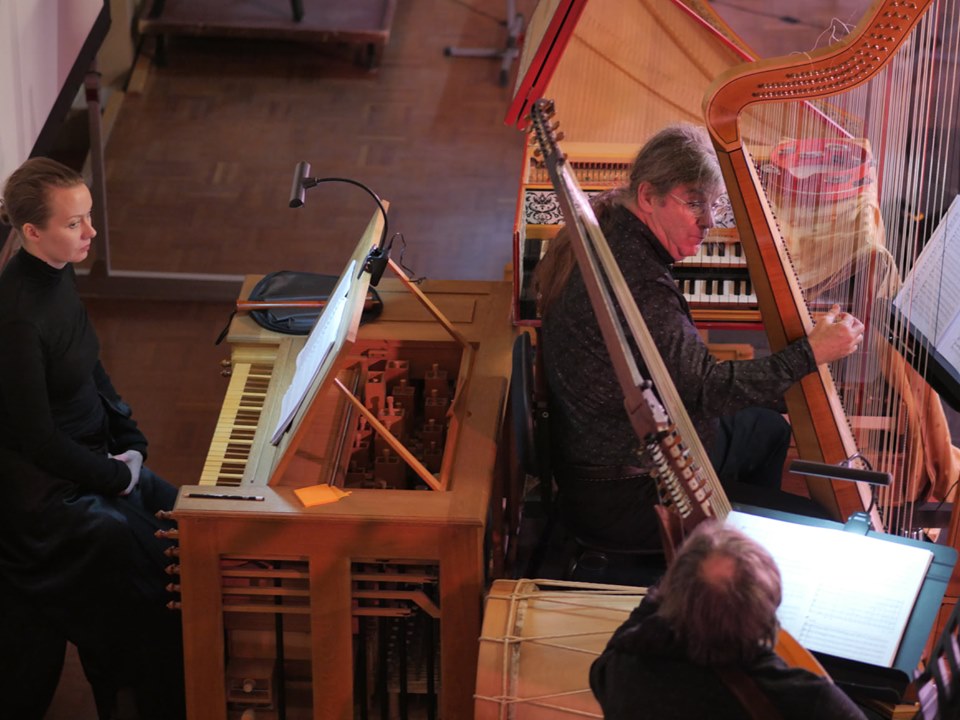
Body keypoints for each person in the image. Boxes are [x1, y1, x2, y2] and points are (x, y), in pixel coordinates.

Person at [535, 123, 865, 553]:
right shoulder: (638, 282)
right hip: (631, 490)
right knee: (822, 532)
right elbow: (708, 390)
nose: (708, 221)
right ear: (648, 196)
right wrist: (811, 352)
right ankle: (726, 559)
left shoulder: (612, 222)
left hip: (617, 452)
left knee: (767, 431)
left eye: (713, 204)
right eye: (694, 203)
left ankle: (732, 545)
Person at [0, 157, 185, 719]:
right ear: (32, 232)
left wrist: (127, 432)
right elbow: (36, 439)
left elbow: (86, 362)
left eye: (88, 217)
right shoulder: (16, 318)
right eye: (74, 222)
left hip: (92, 458)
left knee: (185, 522)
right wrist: (115, 475)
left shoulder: (59, 269)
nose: (91, 232)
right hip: (49, 496)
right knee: (145, 588)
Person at [590, 520, 869, 719]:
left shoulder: (620, 671)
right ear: (764, 615)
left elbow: (630, 633)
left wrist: (678, 583)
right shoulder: (805, 699)